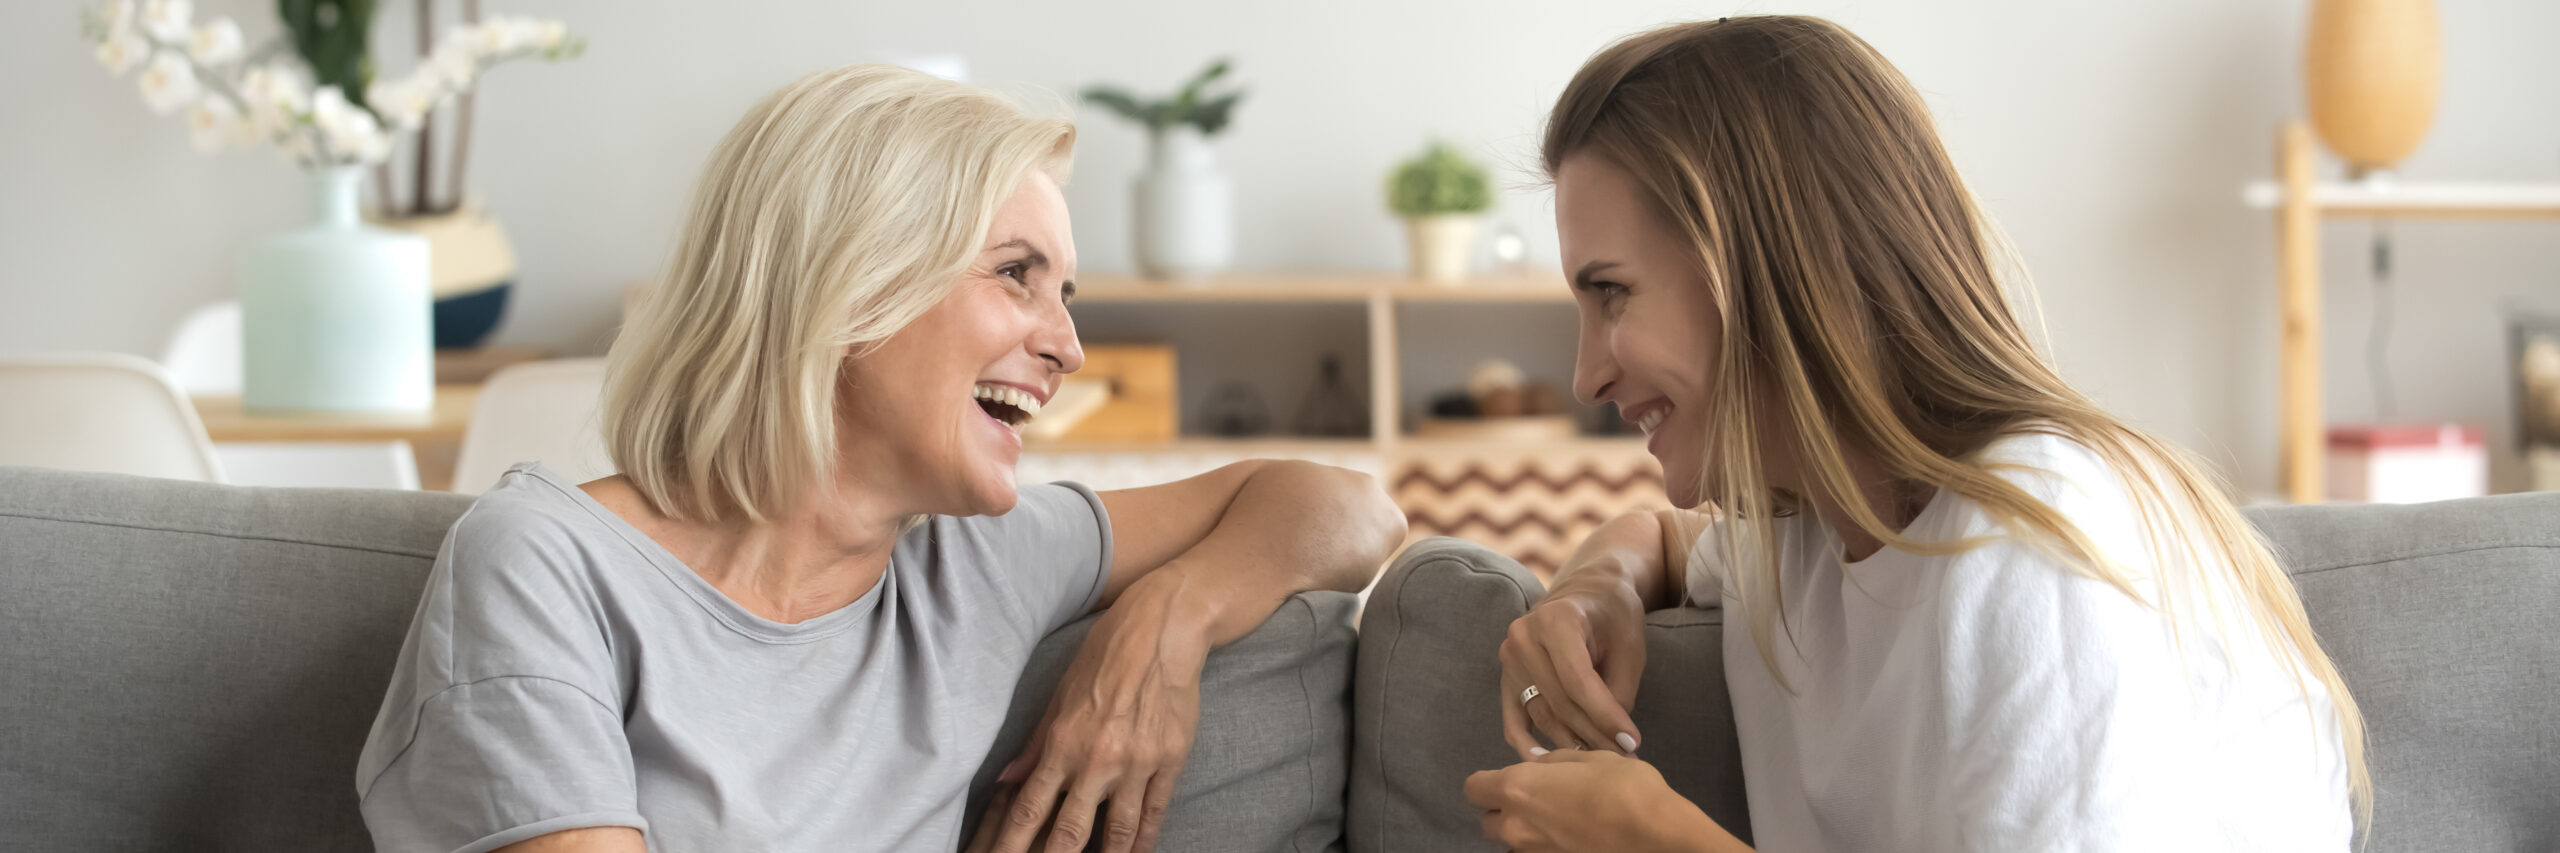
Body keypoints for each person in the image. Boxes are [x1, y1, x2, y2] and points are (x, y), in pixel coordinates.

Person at [354, 64, 1407, 853]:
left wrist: (1169, 624)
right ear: (850, 287)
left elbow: (1347, 509)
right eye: (1015, 276)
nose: (1068, 347)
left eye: (1066, 295)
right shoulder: (544, 565)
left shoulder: (976, 562)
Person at [1465, 16, 2365, 852]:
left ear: (1769, 263)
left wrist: (1656, 837)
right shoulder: (1816, 528)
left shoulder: (2033, 537)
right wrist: (1595, 590)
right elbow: (1665, 537)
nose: (1587, 375)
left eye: (1612, 292)